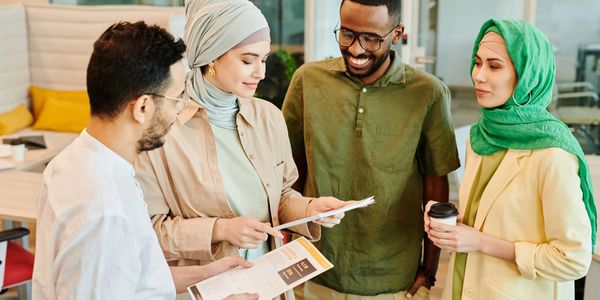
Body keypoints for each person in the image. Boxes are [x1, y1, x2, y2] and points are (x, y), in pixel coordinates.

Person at [134, 1, 349, 298]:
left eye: (264, 59)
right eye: (248, 61)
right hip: (205, 290)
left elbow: (282, 196)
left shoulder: (269, 117)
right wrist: (220, 230)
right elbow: (150, 232)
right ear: (210, 58)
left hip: (269, 284)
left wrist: (311, 209)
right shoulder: (161, 131)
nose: (260, 72)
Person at [32, 21, 258, 300]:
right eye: (176, 99)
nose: (178, 111)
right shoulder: (104, 211)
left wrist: (208, 274)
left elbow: (137, 278)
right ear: (142, 107)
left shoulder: (74, 161)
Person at [282, 0, 460, 299]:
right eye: (347, 33)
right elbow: (291, 170)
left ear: (396, 34)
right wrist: (288, 248)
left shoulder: (427, 93)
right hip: (315, 266)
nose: (355, 48)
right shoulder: (307, 80)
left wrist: (429, 268)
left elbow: (435, 185)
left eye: (371, 38)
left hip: (393, 275)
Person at [424, 19, 597, 300]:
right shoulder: (480, 137)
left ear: (528, 75)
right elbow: (493, 214)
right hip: (462, 287)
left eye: (494, 66)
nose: (478, 76)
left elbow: (573, 259)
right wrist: (448, 220)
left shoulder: (553, 153)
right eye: (477, 62)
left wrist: (479, 242)